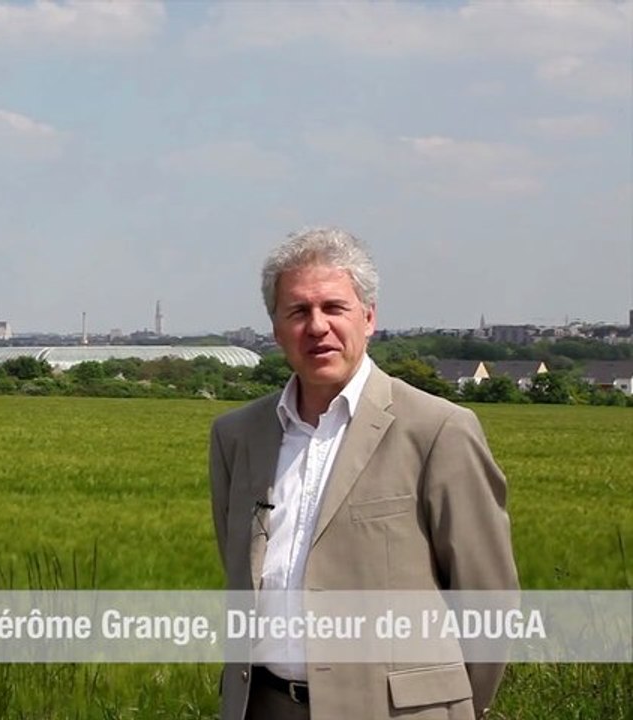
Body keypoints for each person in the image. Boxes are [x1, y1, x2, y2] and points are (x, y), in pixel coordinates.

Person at [209, 228, 518, 720]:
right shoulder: (236, 436)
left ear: (369, 317)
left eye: (334, 307)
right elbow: (240, 572)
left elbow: (489, 598)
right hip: (264, 705)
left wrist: (447, 707)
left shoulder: (438, 430)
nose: (317, 326)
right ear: (276, 329)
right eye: (298, 311)